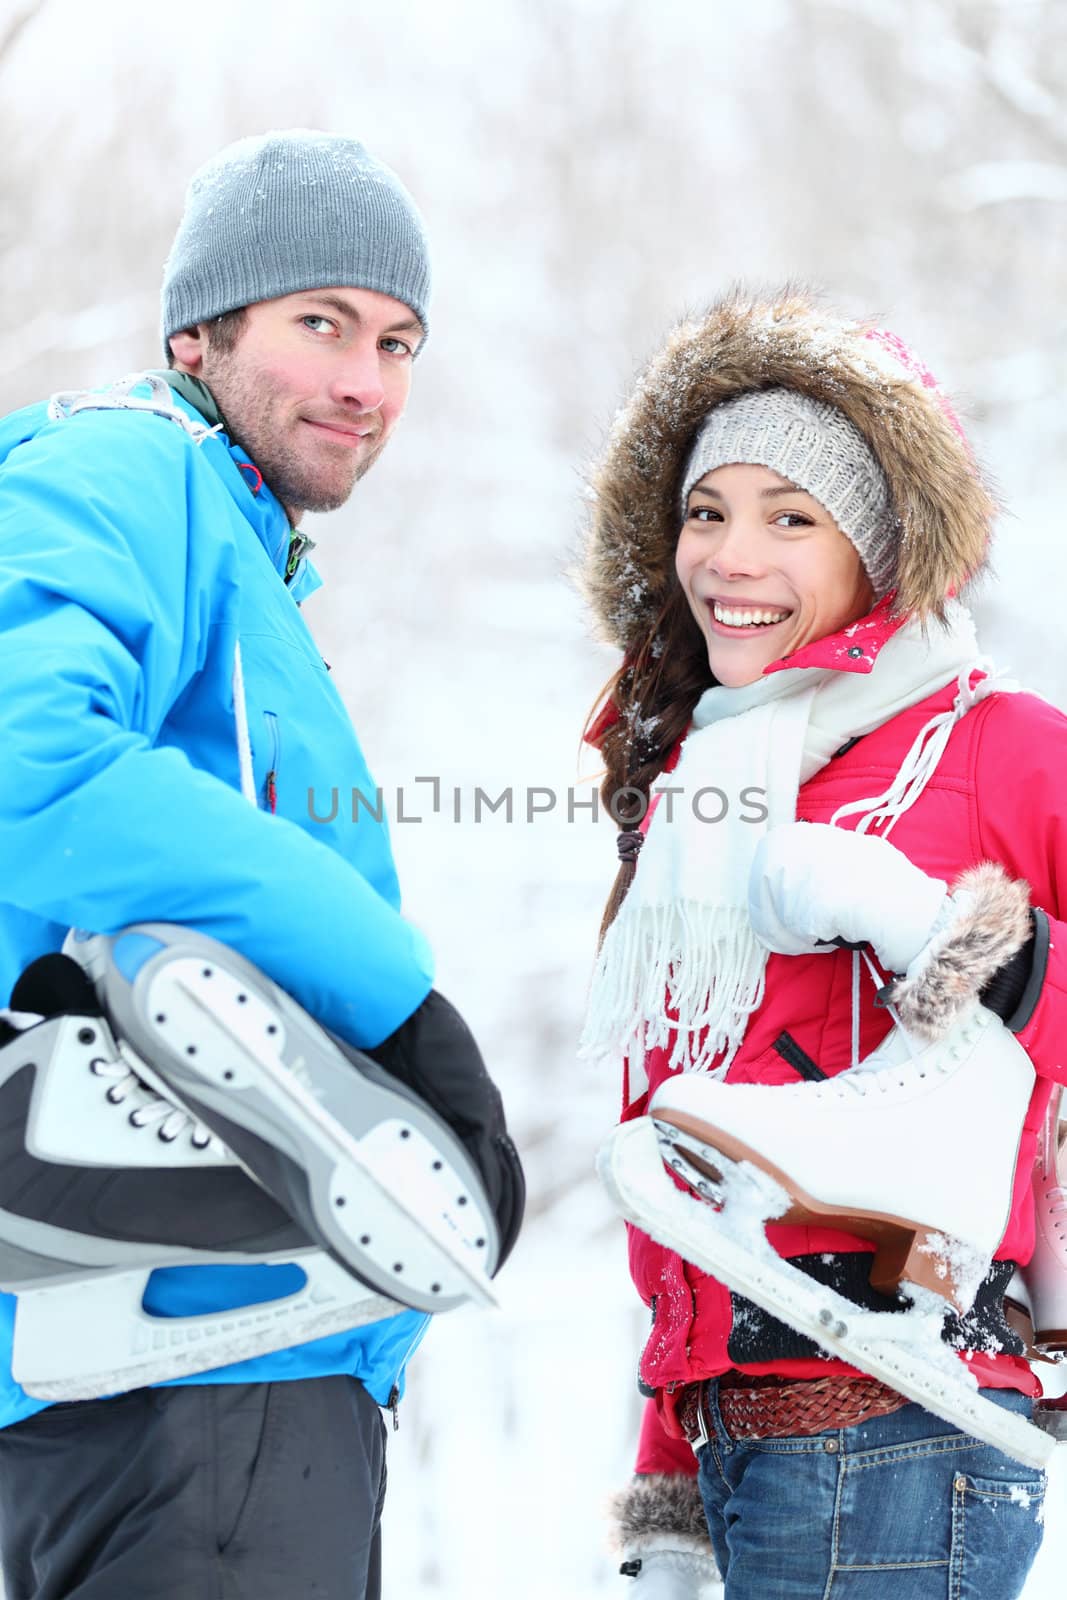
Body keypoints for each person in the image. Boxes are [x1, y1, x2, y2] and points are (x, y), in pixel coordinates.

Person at [0, 129, 523, 1599]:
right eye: (321, 324)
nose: (368, 381)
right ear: (200, 332)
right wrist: (400, 1002)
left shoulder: (238, 560)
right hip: (198, 1397)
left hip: (192, 1366)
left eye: (399, 340)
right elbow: (24, 754)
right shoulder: (127, 465)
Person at [579, 287, 1066, 1598]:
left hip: (906, 1428)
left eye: (792, 518)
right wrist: (669, 1485)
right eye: (705, 513)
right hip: (746, 1456)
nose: (732, 558)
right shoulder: (698, 793)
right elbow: (688, 1174)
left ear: (885, 547)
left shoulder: (996, 746)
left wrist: (936, 932)